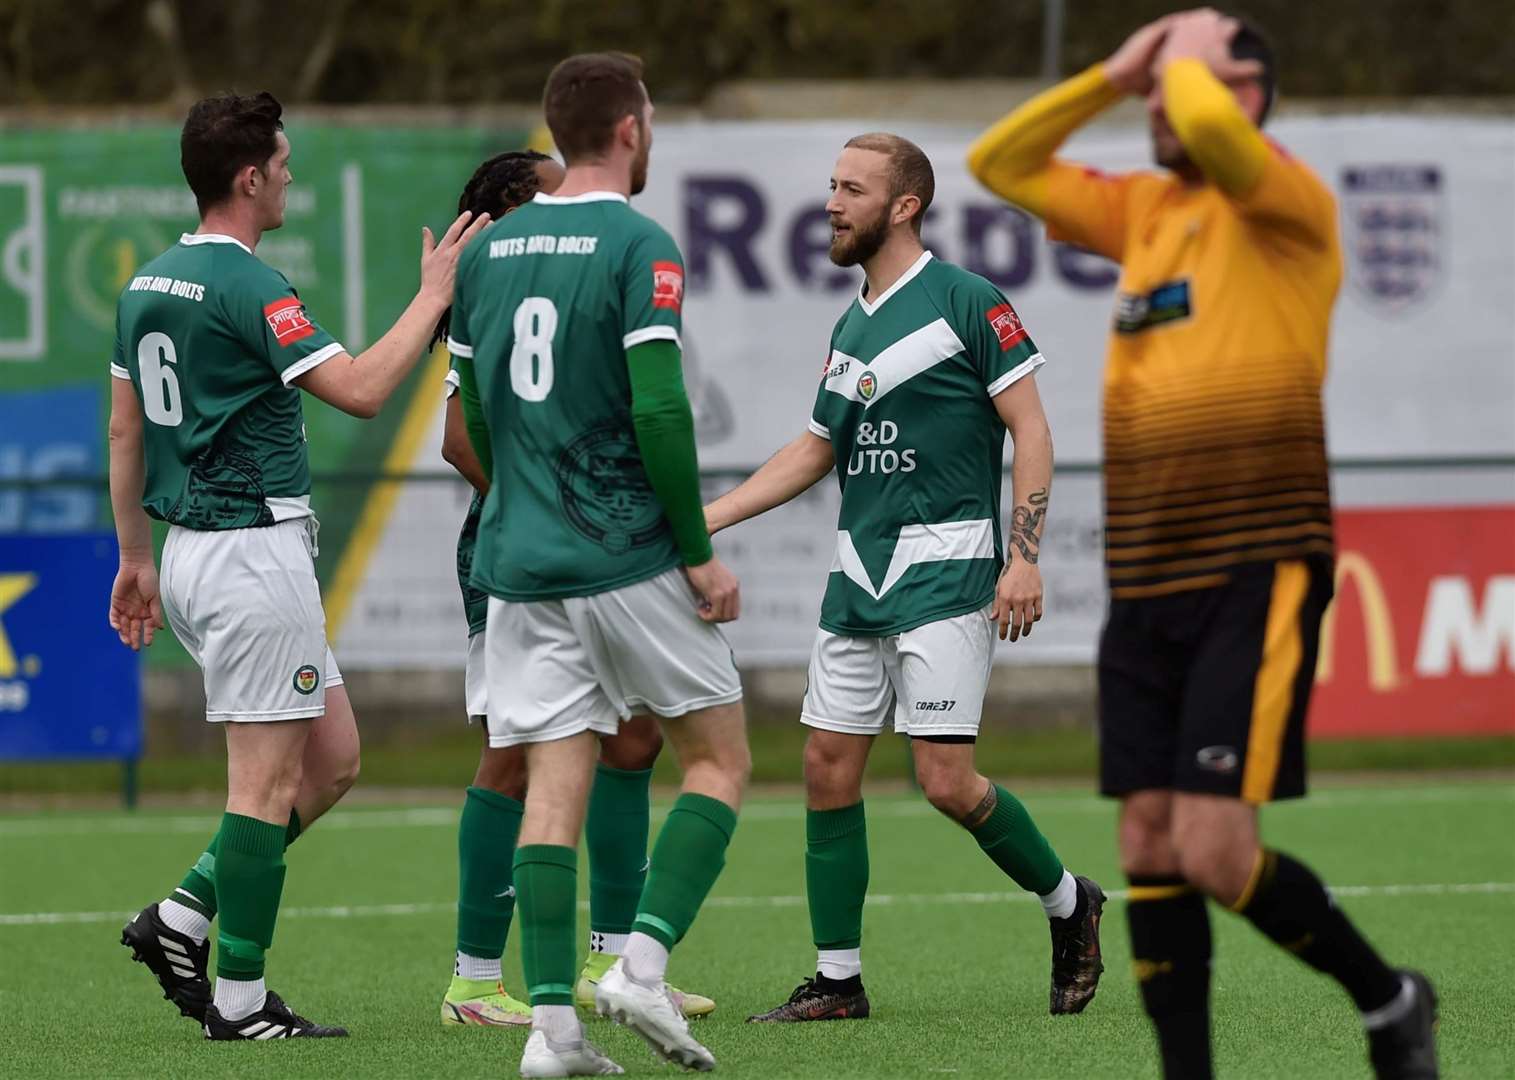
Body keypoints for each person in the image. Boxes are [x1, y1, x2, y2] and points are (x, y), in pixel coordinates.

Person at [966, 10, 1438, 1079]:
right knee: (1144, 847)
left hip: (1256, 560)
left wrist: (1182, 63)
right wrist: (1111, 71)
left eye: (1185, 85)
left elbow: (1220, 137)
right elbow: (1002, 161)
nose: (1159, 106)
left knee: (1216, 849)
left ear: (1244, 95)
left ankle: (1390, 1001)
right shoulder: (1147, 212)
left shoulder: (1287, 202)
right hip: (1148, 574)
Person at [111, 90, 487, 1041]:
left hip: (200, 555)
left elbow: (125, 430)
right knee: (264, 787)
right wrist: (434, 295)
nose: (289, 176)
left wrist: (136, 558)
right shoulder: (251, 284)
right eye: (280, 163)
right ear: (247, 177)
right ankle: (237, 1001)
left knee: (333, 761)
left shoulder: (147, 282)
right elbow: (360, 390)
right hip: (250, 556)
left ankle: (184, 917)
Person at [705, 132, 1105, 1025]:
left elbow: (1031, 432)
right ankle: (838, 981)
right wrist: (704, 521)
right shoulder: (851, 324)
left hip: (948, 570)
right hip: (860, 574)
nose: (831, 203)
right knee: (824, 767)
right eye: (831, 185)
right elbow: (816, 450)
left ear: (904, 205)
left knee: (945, 784)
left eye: (851, 189)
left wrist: (1024, 555)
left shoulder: (968, 301)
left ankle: (1069, 903)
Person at [448, 53, 749, 1077]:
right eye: (651, 119)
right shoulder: (638, 241)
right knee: (718, 759)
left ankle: (551, 1035)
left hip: (519, 565)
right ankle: (640, 966)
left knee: (553, 782)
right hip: (623, 552)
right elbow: (661, 407)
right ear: (629, 129)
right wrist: (698, 556)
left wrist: (522, 499)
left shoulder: (487, 255)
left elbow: (477, 415)